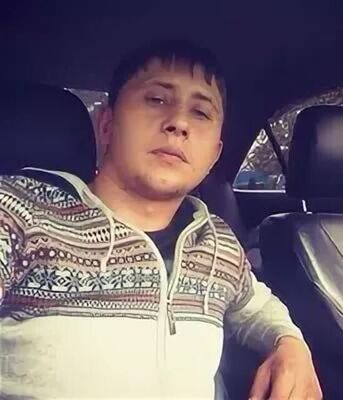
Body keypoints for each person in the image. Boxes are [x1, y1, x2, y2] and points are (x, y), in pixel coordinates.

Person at [0, 40, 322, 399]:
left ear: (214, 154)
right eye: (156, 99)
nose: (179, 123)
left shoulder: (216, 240)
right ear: (106, 124)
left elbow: (255, 305)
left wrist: (290, 343)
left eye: (200, 112)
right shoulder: (18, 211)